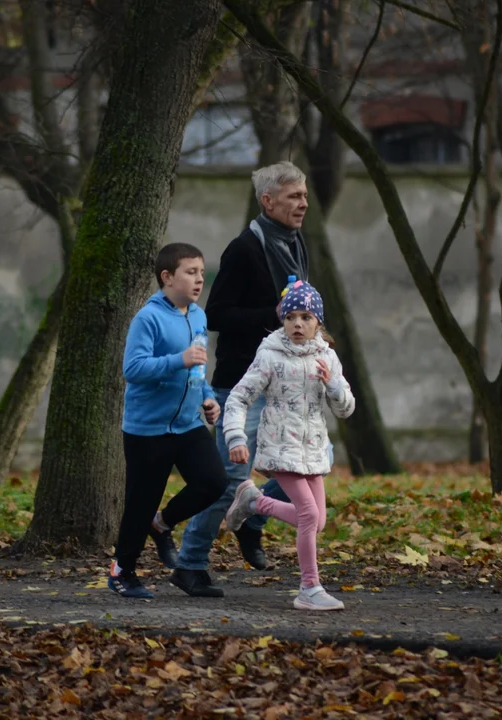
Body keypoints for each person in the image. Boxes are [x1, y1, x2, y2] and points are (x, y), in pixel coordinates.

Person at [172, 160, 332, 598]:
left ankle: (256, 514)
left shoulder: (295, 242)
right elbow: (218, 314)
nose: (303, 203)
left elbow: (302, 307)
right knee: (229, 479)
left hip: (291, 382)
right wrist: (278, 317)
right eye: (294, 196)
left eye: (304, 195)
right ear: (268, 201)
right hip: (244, 381)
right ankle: (189, 564)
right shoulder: (245, 248)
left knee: (310, 460)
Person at [106, 242, 230, 599]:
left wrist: (207, 397)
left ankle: (161, 525)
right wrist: (179, 360)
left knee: (213, 481)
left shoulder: (198, 315)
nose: (199, 280)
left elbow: (199, 367)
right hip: (148, 429)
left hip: (189, 424)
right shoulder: (148, 318)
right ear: (167, 277)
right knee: (139, 503)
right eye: (191, 272)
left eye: (202, 274)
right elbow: (132, 369)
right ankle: (122, 572)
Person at [223, 281, 354, 611]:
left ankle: (254, 501)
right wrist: (236, 437)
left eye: (306, 317)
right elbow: (239, 398)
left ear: (318, 323)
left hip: (313, 452)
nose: (297, 324)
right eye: (291, 317)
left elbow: (346, 409)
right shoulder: (269, 355)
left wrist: (334, 384)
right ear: (282, 319)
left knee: (317, 521)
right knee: (309, 515)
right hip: (279, 448)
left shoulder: (327, 358)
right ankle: (309, 588)